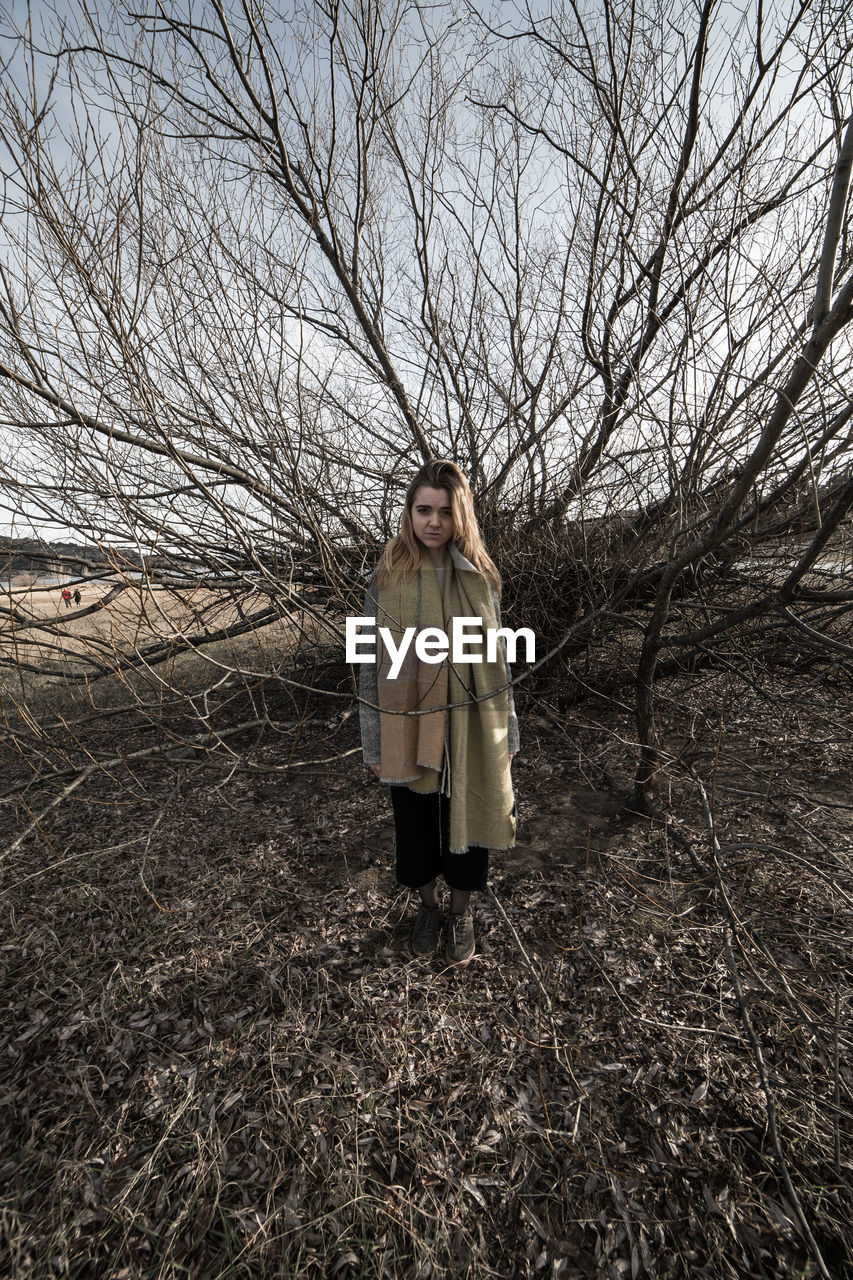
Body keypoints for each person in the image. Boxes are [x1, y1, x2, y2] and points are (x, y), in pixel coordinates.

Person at [358, 459, 519, 967]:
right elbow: (367, 666)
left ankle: (461, 912)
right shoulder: (385, 581)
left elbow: (498, 662)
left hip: (470, 725)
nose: (433, 521)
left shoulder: (480, 580)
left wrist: (506, 737)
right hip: (406, 724)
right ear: (408, 513)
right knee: (416, 826)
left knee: (467, 822)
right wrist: (374, 744)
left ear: (460, 517)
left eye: (445, 512)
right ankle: (428, 909)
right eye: (423, 510)